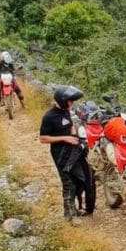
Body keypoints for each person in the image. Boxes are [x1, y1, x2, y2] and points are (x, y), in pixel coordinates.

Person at [38, 85, 86, 221]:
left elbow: (69, 125)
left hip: (72, 151)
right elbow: (43, 138)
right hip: (60, 153)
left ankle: (74, 208)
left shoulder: (66, 111)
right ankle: (69, 215)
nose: (72, 103)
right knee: (68, 182)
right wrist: (64, 138)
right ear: (63, 100)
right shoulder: (49, 117)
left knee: (80, 179)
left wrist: (76, 136)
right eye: (71, 101)